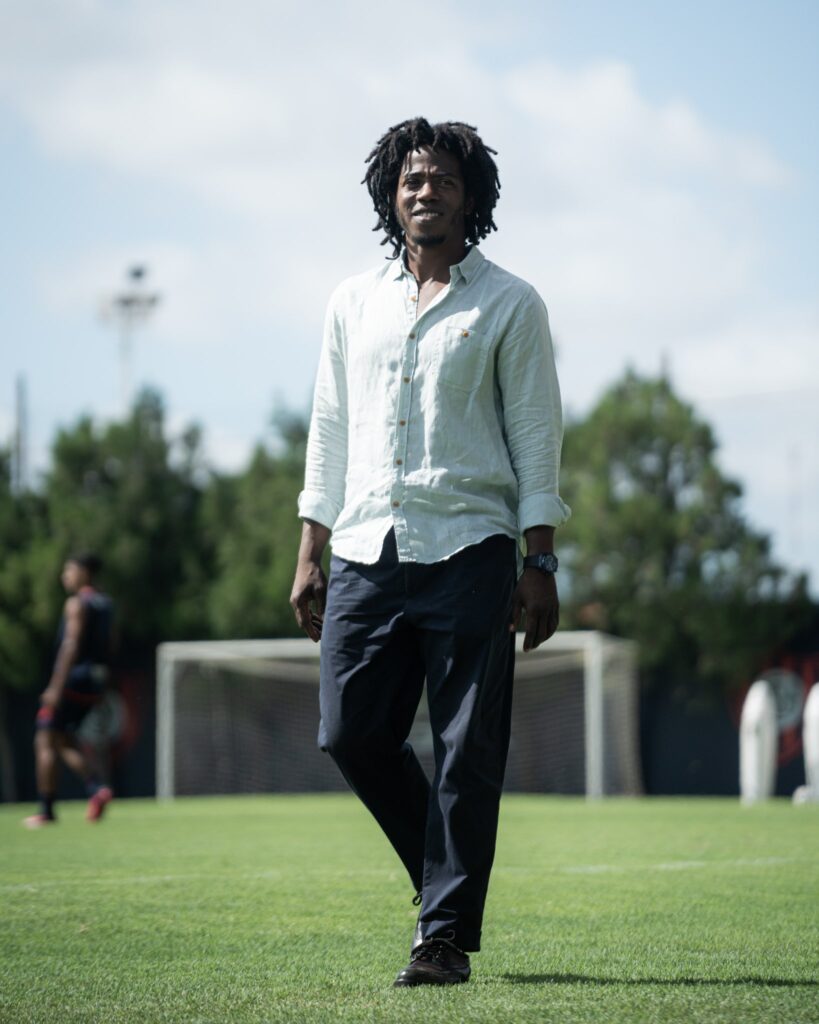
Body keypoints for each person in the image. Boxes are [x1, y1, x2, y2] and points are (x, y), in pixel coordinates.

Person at [290, 117, 570, 987]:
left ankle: (441, 938)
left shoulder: (510, 303)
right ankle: (440, 876)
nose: (426, 192)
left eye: (443, 180)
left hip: (471, 548)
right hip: (364, 547)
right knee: (349, 732)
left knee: (465, 748)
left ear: (469, 196)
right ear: (391, 194)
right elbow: (329, 429)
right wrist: (310, 546)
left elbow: (535, 434)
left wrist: (539, 560)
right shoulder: (351, 302)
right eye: (412, 179)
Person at [24, 553, 115, 828]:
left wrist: (55, 687)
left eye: (69, 571)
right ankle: (97, 788)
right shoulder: (106, 604)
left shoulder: (77, 603)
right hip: (95, 681)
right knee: (63, 739)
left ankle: (46, 810)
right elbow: (111, 645)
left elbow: (71, 645)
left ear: (84, 573)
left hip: (71, 681)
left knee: (45, 740)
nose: (65, 576)